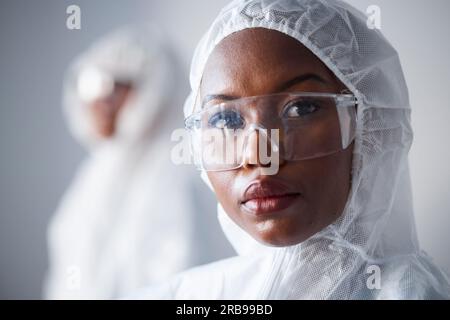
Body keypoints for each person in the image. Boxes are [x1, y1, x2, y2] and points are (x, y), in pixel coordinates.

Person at [136, 0, 450, 299]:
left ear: (371, 125)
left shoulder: (410, 291)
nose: (258, 155)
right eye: (227, 119)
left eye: (301, 108)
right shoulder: (194, 293)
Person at [44, 25, 233, 299]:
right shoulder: (94, 174)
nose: (99, 102)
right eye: (89, 85)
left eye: (112, 86)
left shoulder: (184, 174)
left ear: (153, 87)